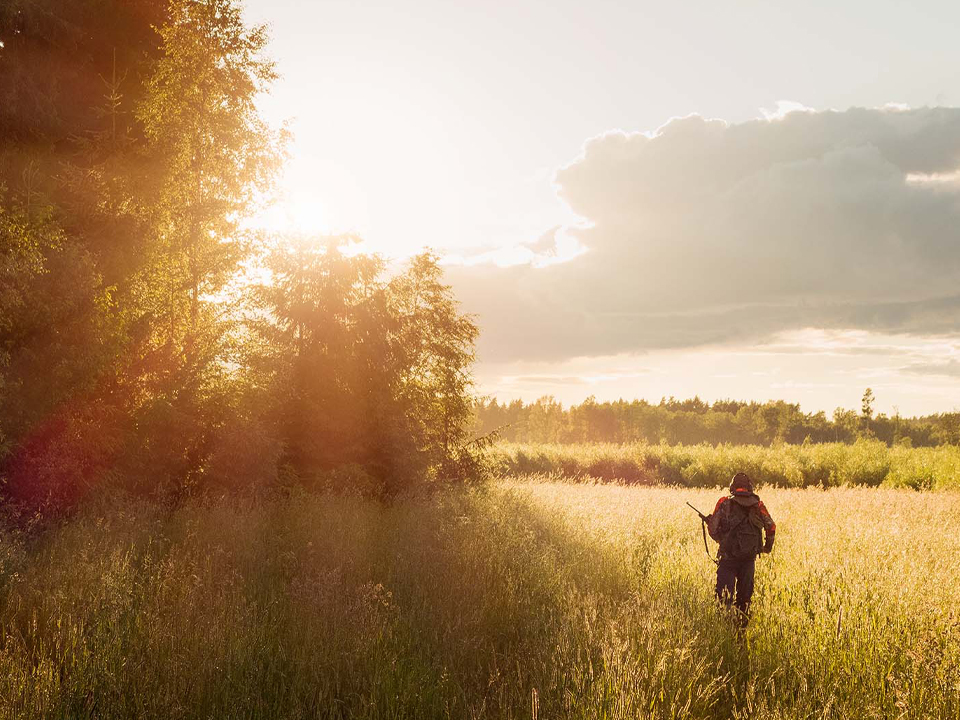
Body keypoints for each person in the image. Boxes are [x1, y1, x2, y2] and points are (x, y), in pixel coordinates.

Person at [706, 472, 775, 624]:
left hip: (728, 559)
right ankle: (741, 634)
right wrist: (766, 548)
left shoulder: (724, 502)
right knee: (744, 600)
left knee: (724, 600)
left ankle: (724, 632)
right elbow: (771, 527)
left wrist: (721, 540)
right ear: (749, 487)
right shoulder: (758, 505)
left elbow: (712, 529)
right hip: (748, 559)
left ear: (733, 487)